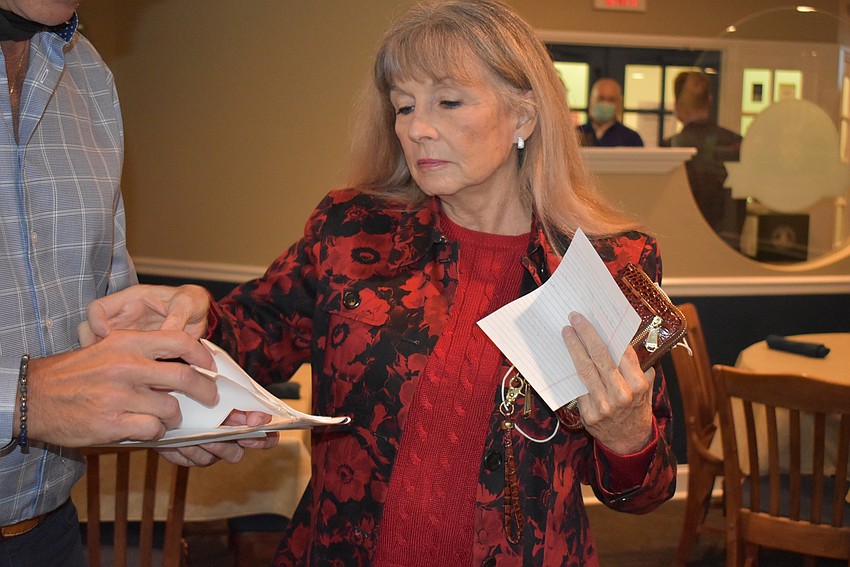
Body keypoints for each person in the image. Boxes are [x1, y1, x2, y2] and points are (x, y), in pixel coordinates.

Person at [82, 1, 677, 565]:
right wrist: (187, 316)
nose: (417, 128)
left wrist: (628, 438)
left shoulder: (610, 265)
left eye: (448, 102)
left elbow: (644, 496)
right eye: (404, 105)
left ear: (523, 114)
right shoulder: (350, 231)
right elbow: (243, 341)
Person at [0, 3, 275, 565]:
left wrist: (165, 387)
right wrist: (21, 399)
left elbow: (86, 317)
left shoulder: (88, 74)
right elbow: (41, 391)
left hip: (47, 534)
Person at [661, 71, 745, 250]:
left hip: (683, 239)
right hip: (728, 240)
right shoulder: (735, 142)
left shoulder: (670, 147)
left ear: (677, 106)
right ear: (709, 100)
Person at [577, 77, 644, 147]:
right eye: (601, 98)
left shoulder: (631, 138)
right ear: (592, 100)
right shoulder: (576, 134)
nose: (605, 103)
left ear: (619, 103)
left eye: (611, 100)